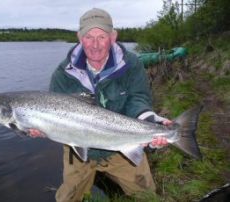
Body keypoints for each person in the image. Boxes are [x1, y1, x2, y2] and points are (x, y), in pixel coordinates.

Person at [29, 8, 171, 202]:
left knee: (147, 197)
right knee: (68, 199)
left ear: (113, 37)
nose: (95, 45)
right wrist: (41, 127)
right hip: (77, 150)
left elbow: (138, 98)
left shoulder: (131, 64)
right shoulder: (62, 75)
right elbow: (53, 119)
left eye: (101, 37)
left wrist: (150, 120)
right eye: (89, 37)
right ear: (79, 37)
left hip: (123, 142)